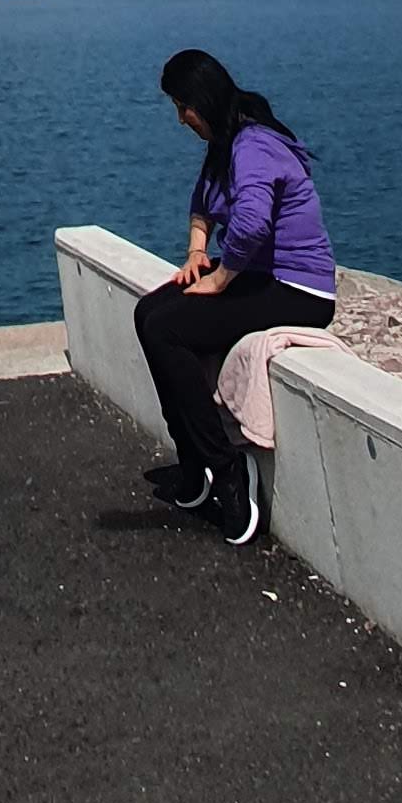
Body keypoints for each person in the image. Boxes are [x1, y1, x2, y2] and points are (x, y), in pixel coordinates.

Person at [134, 45, 337, 542]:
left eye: (183, 107)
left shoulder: (253, 144)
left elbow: (250, 223)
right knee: (148, 312)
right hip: (260, 277)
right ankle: (193, 460)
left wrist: (220, 279)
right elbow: (203, 201)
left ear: (202, 100)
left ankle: (226, 469)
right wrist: (196, 252)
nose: (181, 119)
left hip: (298, 288)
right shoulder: (225, 142)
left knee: (168, 329)